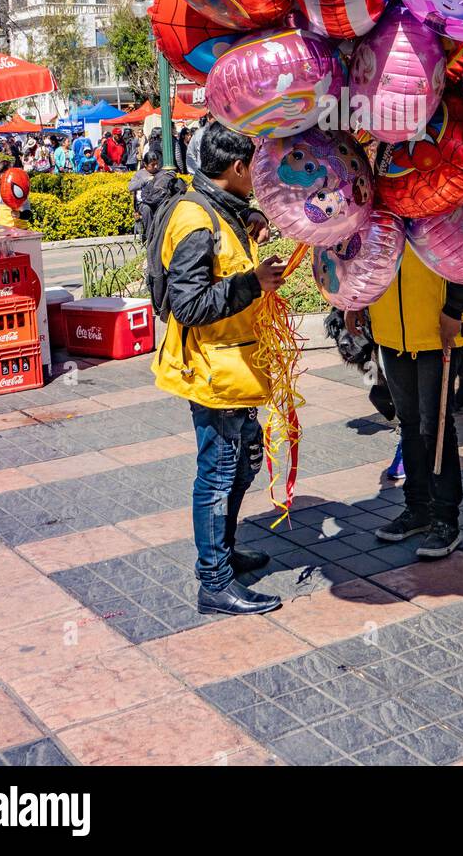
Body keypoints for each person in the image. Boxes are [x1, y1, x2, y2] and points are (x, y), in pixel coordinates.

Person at [152, 123, 286, 616]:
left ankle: (222, 554)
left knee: (244, 463)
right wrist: (252, 283)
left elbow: (224, 235)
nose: (259, 178)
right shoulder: (193, 221)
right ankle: (214, 581)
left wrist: (249, 217)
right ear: (237, 168)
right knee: (218, 473)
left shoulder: (216, 207)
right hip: (212, 373)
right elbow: (187, 305)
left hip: (238, 368)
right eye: (256, 169)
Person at [347, 244, 463, 559]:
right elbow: (366, 248)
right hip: (392, 328)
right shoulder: (378, 198)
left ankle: (446, 519)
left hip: (438, 325)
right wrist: (356, 299)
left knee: (435, 425)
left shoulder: (441, 198)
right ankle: (417, 509)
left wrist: (456, 307)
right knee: (409, 422)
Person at [0, 159, 32, 229]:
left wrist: (19, 215)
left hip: (19, 230)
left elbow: (28, 213)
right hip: (1, 230)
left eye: (1, 174)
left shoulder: (18, 188)